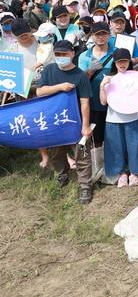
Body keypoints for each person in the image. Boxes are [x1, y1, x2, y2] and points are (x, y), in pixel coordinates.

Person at [37, 40, 94, 204]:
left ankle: (85, 185)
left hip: (74, 121)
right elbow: (40, 91)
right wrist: (60, 87)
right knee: (56, 152)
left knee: (82, 153)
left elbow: (85, 102)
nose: (61, 57)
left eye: (64, 54)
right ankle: (61, 174)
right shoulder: (49, 70)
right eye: (58, 54)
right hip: (53, 120)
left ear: (72, 54)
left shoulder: (80, 75)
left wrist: (85, 126)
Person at [98, 48, 138, 187]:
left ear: (129, 62)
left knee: (135, 145)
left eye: (125, 61)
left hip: (132, 117)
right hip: (113, 119)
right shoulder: (109, 78)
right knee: (115, 147)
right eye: (119, 61)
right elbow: (103, 102)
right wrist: (102, 86)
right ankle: (120, 173)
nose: (122, 64)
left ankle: (135, 172)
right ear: (114, 63)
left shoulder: (136, 77)